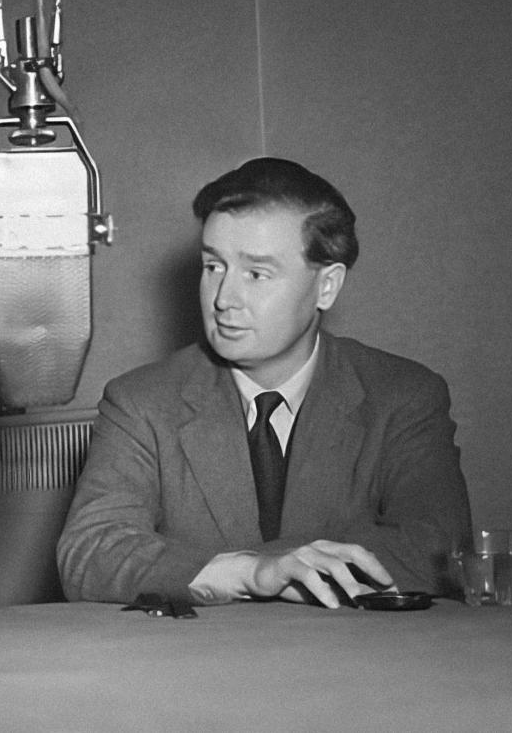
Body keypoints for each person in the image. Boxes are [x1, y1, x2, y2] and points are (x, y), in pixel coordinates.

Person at [57, 157, 470, 608]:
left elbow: (438, 549)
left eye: (256, 273)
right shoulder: (140, 401)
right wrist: (253, 573)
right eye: (213, 267)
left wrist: (272, 565)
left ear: (326, 286)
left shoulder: (403, 396)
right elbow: (90, 553)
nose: (224, 298)